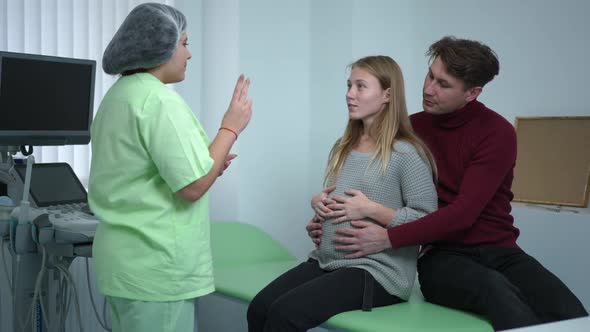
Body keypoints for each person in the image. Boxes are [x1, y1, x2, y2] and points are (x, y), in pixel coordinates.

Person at [307, 36, 588, 331]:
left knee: (569, 310)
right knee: (497, 292)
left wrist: (389, 238)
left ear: (472, 93)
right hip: (440, 258)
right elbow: (369, 188)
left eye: (443, 85)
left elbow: (464, 214)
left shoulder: (497, 132)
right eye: (430, 75)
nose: (428, 89)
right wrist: (325, 218)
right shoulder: (409, 130)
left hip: (501, 250)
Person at [88, 3, 252, 332]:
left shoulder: (119, 96)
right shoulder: (159, 100)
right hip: (156, 269)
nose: (189, 54)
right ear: (159, 46)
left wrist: (210, 165)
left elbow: (148, 171)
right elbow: (191, 187)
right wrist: (230, 127)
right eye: (184, 44)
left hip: (123, 267)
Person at [247, 55, 438, 331]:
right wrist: (321, 215)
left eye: (361, 86)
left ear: (387, 94)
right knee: (259, 308)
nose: (350, 94)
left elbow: (427, 221)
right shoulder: (343, 147)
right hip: (328, 261)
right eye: (349, 85)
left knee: (285, 315)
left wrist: (370, 209)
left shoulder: (406, 153)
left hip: (378, 272)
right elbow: (343, 202)